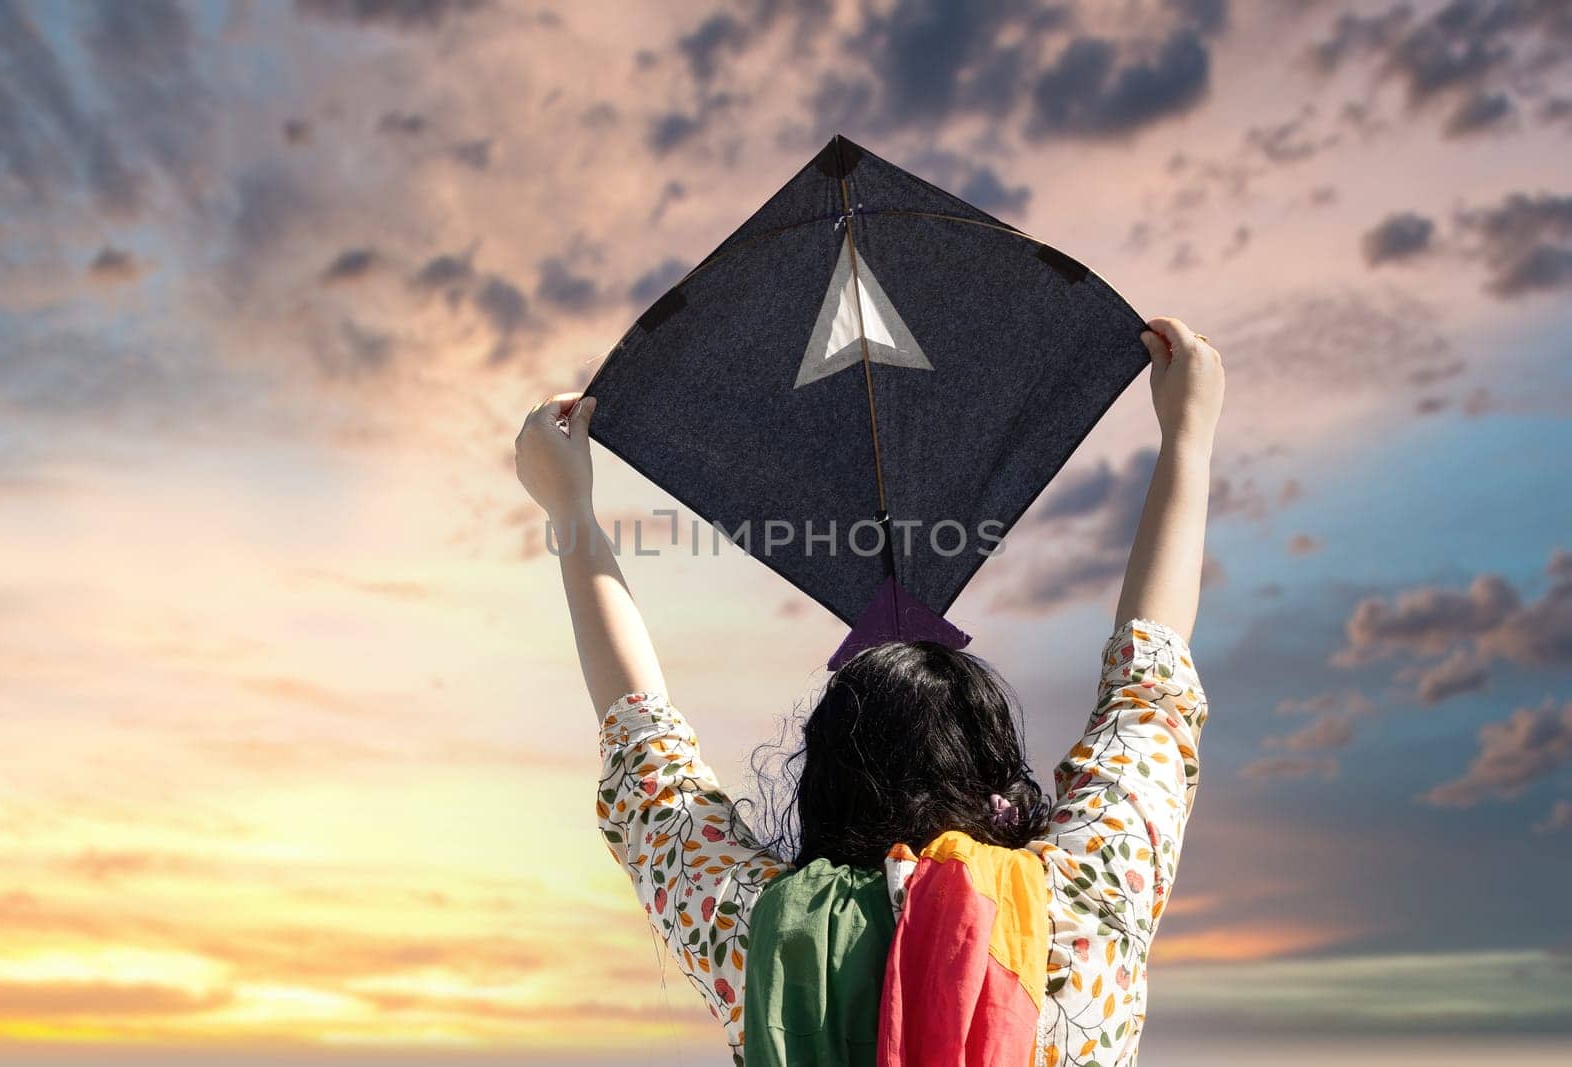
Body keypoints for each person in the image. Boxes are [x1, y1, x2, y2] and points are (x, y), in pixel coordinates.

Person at [514, 315, 1224, 1066]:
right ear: (994, 769)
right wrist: (1189, 435)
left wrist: (570, 510)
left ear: (822, 778)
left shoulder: (766, 940)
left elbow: (644, 745)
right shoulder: (1080, 909)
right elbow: (1151, 685)